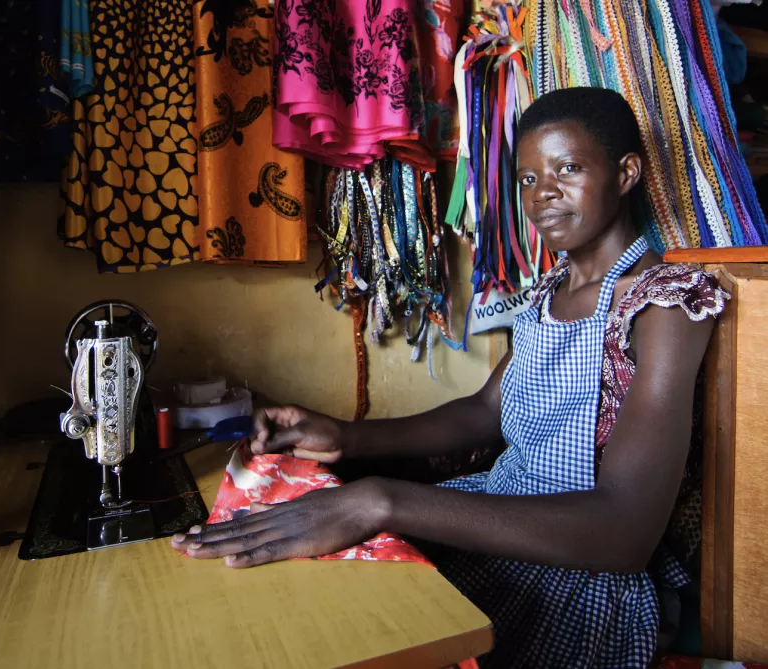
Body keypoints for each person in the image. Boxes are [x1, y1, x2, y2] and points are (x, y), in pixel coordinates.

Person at [172, 87, 729, 668]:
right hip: (493, 525)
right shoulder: (548, 293)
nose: (543, 196)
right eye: (528, 178)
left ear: (626, 173)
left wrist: (382, 501)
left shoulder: (664, 304)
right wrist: (345, 435)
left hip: (574, 581)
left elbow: (623, 532)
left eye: (568, 169)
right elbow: (485, 411)